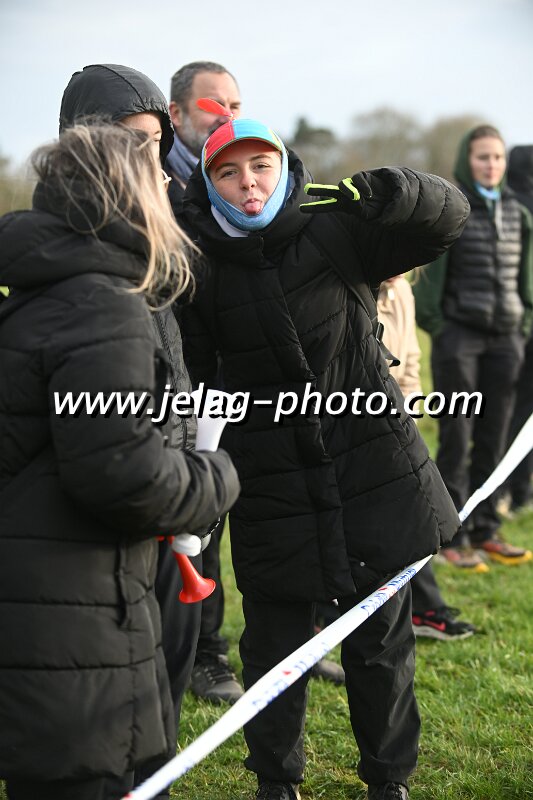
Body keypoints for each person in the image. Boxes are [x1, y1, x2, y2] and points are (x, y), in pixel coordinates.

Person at [179, 110, 470, 800]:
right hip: (270, 480)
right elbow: (194, 375)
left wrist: (393, 191)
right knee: (273, 645)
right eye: (229, 172)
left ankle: (388, 780)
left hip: (369, 466)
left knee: (380, 643)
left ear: (283, 168)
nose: (249, 183)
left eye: (261, 166)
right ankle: (275, 782)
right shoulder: (197, 263)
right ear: (210, 184)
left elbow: (445, 220)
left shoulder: (332, 227)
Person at [0, 122, 239, 800]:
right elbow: (121, 474)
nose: (171, 188)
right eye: (157, 178)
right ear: (126, 196)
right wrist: (217, 476)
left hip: (44, 599)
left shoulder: (47, 291)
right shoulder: (102, 307)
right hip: (71, 619)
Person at [57, 62, 229, 783]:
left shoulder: (151, 253)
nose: (153, 165)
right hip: (109, 556)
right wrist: (210, 482)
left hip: (167, 538)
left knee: (158, 734)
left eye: (156, 143)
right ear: (83, 148)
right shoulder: (81, 279)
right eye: (133, 142)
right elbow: (106, 446)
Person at [167, 62, 344, 704]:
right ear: (176, 113)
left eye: (236, 103)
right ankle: (206, 653)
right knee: (203, 519)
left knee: (286, 513)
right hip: (200, 380)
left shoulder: (260, 174)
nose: (227, 114)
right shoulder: (159, 182)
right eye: (213, 104)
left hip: (268, 381)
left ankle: (304, 635)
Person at [414, 125, 533, 569]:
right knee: (456, 436)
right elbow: (430, 283)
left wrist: (524, 323)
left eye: (498, 157)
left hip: (506, 339)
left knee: (494, 436)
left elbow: (526, 278)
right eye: (483, 156)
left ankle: (485, 529)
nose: (491, 165)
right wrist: (441, 329)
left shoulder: (519, 212)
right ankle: (451, 536)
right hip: (459, 338)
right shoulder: (453, 209)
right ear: (468, 159)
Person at [378, 276, 477, 639]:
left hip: (396, 424)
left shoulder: (402, 289)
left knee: (416, 513)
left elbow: (410, 363)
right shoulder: (348, 283)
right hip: (355, 424)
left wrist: (408, 422)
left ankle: (424, 608)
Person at [499, 145, 533, 514]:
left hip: (510, 326)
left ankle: (509, 487)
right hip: (521, 324)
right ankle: (520, 489)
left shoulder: (511, 209)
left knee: (508, 409)